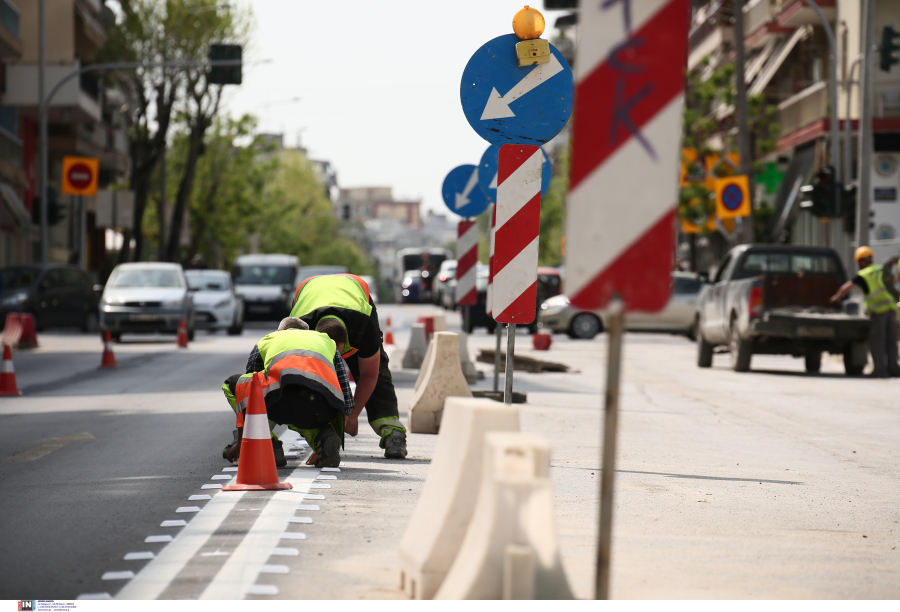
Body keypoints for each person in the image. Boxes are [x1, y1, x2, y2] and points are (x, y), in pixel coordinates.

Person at [289, 273, 408, 461]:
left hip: (354, 294)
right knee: (299, 380)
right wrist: (321, 440)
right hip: (309, 293)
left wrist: (352, 415)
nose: (337, 360)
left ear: (347, 337)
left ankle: (392, 431)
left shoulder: (363, 325)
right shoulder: (299, 329)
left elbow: (369, 374)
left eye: (338, 355)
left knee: (377, 366)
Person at [222, 317, 355, 468]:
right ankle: (324, 439)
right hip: (321, 409)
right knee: (311, 403)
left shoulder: (269, 339)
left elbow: (249, 394)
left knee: (234, 384)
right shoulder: (325, 341)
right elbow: (345, 392)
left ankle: (266, 445)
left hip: (281, 401)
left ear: (281, 332)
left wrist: (241, 443)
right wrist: (339, 425)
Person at [830, 246, 900, 378]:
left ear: (862, 261)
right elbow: (895, 281)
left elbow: (847, 287)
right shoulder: (881, 270)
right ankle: (894, 369)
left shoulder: (863, 274)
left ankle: (880, 370)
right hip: (891, 309)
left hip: (878, 311)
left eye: (858, 262)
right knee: (891, 341)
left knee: (877, 341)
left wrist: (836, 298)